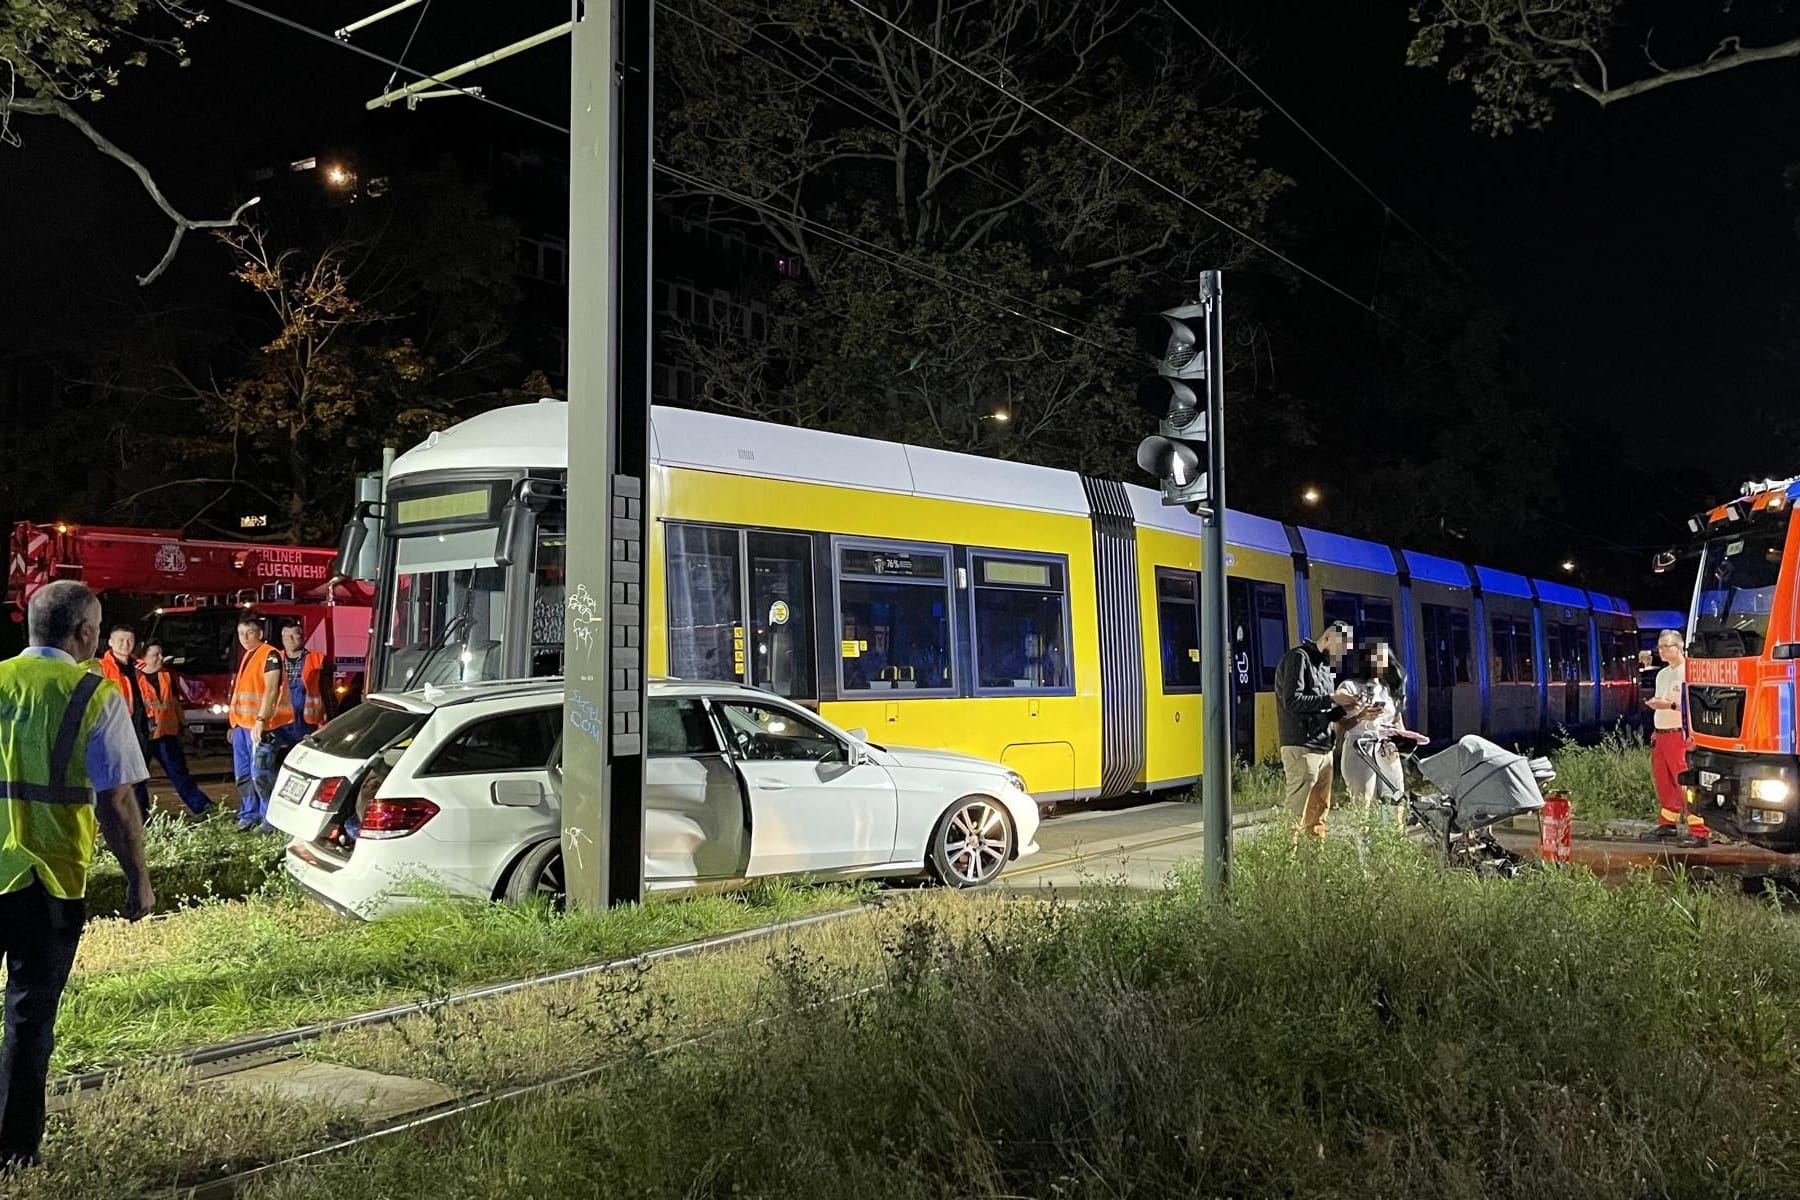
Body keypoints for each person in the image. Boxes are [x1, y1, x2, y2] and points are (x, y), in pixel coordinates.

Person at [0, 581, 153, 1172]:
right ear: (86, 633)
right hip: (49, 881)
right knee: (29, 1017)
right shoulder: (94, 693)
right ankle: (13, 1151)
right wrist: (138, 878)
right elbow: (117, 804)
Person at [1275, 620, 1377, 841]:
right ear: (1330, 638)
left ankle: (1314, 863)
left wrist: (1353, 711)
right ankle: (1286, 862)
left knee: (1319, 813)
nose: (1341, 657)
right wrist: (1332, 698)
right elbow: (1291, 701)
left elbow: (1326, 715)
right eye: (1341, 650)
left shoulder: (1324, 669)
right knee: (1295, 814)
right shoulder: (1298, 658)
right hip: (1303, 748)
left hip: (1324, 750)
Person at [253, 620, 330, 804]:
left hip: (309, 726)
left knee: (308, 772)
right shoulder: (274, 659)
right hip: (279, 724)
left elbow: (328, 693)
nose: (290, 640)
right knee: (261, 768)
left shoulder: (317, 659)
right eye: (286, 636)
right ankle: (272, 809)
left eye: (295, 635)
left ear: (302, 636)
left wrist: (328, 725)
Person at [136, 640, 215, 818]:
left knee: (179, 774)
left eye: (161, 654)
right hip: (144, 735)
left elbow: (174, 703)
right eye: (156, 655)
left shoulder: (166, 675)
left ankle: (204, 808)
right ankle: (140, 817)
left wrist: (184, 725)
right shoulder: (135, 678)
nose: (161, 658)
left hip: (166, 734)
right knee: (139, 779)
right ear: (144, 658)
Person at [1645, 628, 1709, 844]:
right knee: (1663, 781)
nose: (1661, 650)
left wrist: (1669, 705)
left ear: (1679, 647)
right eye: (1659, 646)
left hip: (1679, 735)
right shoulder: (1663, 674)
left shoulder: (1690, 671)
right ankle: (1668, 823)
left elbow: (1695, 705)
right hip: (1661, 735)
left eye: (1666, 646)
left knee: (1685, 781)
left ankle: (1698, 830)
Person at [1340, 640, 1410, 812]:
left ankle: (1394, 837)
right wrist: (1362, 716)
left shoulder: (1388, 690)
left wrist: (1404, 741)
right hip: (1360, 748)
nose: (1381, 662)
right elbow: (1341, 724)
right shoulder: (1350, 687)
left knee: (1395, 797)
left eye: (1384, 658)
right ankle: (1363, 839)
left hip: (1387, 748)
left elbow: (1396, 720)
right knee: (1363, 800)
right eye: (1376, 658)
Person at [227, 616, 282, 833]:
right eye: (241, 633)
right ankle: (249, 815)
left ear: (259, 633)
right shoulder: (248, 655)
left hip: (260, 727)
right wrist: (234, 725)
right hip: (242, 726)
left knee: (261, 775)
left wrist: (261, 720)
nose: (244, 638)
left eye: (249, 633)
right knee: (243, 775)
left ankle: (270, 820)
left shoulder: (269, 654)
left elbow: (270, 689)